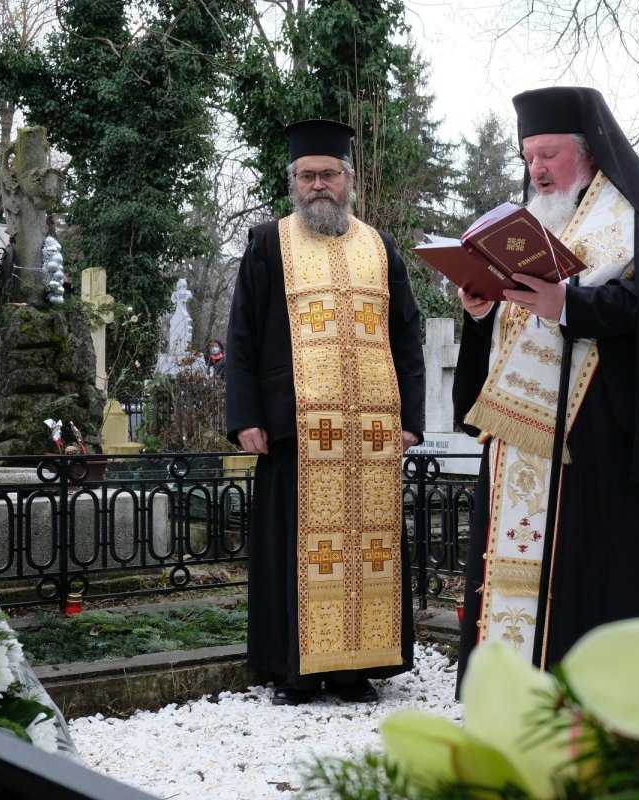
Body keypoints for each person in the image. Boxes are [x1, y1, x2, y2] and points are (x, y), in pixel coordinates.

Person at [453, 87, 639, 687]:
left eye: (548, 155)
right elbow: (513, 335)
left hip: (600, 445)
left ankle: (590, 694)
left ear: (591, 155)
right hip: (521, 441)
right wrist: (481, 309)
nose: (536, 170)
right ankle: (510, 690)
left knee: (589, 574)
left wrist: (572, 304)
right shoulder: (528, 233)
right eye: (528, 158)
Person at [225, 119, 426, 706]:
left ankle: (357, 669)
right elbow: (241, 335)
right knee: (297, 553)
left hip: (370, 436)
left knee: (369, 555)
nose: (319, 185)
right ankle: (295, 672)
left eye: (329, 174)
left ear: (348, 180)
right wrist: (246, 416)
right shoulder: (269, 242)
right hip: (294, 431)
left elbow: (406, 335)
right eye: (308, 175)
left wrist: (410, 417)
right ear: (294, 182)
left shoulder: (379, 245)